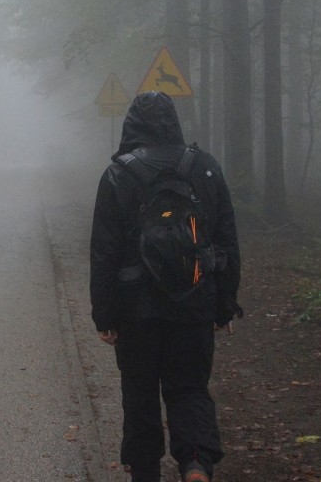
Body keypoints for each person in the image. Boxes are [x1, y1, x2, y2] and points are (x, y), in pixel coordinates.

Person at [89, 91, 242, 482]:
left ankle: (144, 472)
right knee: (189, 388)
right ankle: (195, 465)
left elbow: (104, 252)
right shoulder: (205, 167)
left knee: (140, 393)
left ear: (131, 124)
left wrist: (104, 315)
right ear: (174, 121)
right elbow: (226, 242)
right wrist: (223, 306)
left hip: (134, 309)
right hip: (194, 301)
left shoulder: (117, 174)